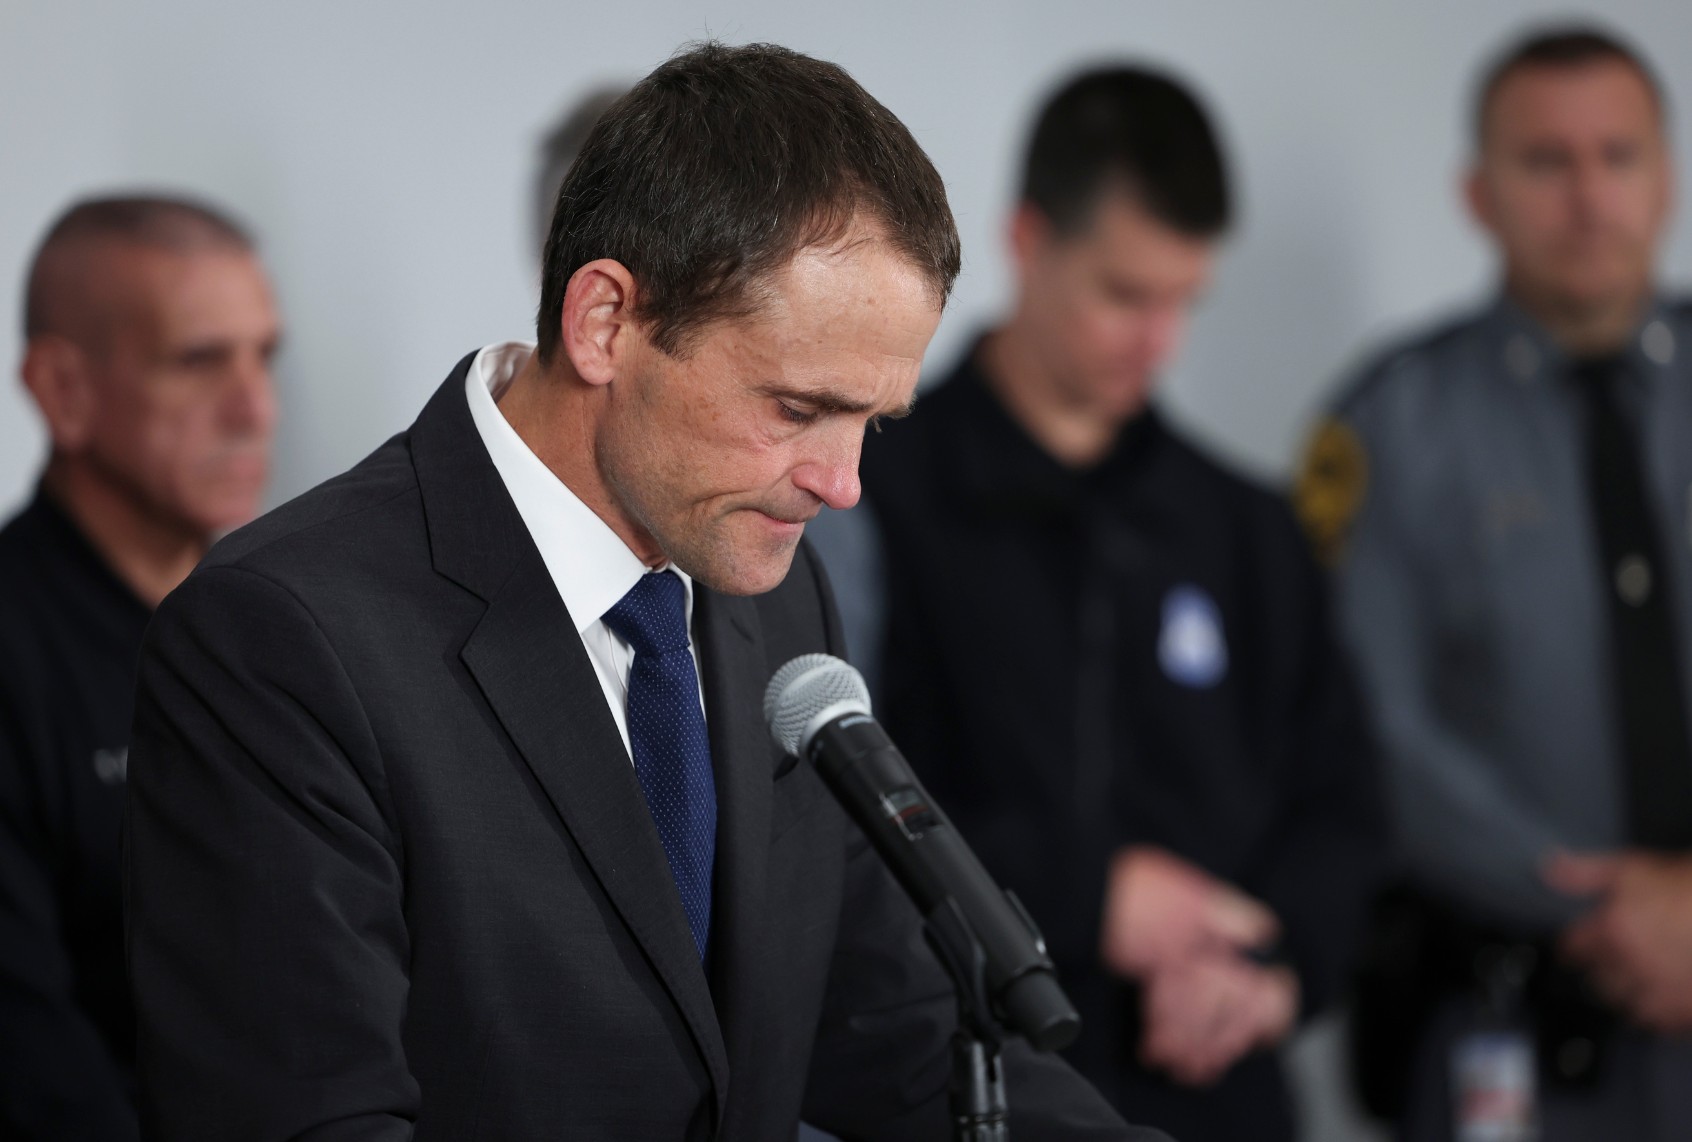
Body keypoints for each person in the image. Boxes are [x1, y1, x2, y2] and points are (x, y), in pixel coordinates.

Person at [123, 42, 1165, 1141]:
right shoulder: (282, 639)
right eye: (799, 406)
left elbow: (893, 1024)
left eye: (873, 421)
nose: (844, 482)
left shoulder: (772, 590)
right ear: (606, 321)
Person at [820, 65, 1383, 1142]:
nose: (1157, 339)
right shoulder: (871, 494)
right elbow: (836, 807)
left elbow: (1346, 812)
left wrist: (1273, 979)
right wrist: (1093, 892)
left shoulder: (1247, 528)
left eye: (1183, 300)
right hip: (963, 1088)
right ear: (1029, 240)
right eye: (1125, 294)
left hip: (1221, 1093)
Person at [1300, 25, 1692, 1140]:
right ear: (1478, 192)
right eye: (1545, 161)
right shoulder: (1390, 423)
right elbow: (1378, 722)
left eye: (1618, 156)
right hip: (1513, 1025)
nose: (1587, 196)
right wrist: (1612, 909)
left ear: (1665, 178)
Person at [0, 195, 280, 1139]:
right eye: (198, 361)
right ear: (63, 390)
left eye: (263, 356)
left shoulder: (285, 631)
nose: (255, 408)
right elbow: (29, 1057)